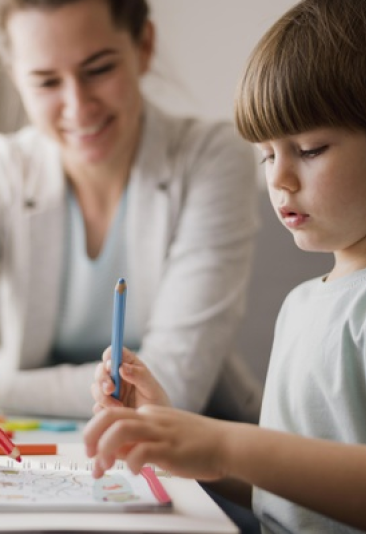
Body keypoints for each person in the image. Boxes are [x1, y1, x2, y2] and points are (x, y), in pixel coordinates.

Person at [84, 0, 366, 533]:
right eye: (266, 155)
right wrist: (178, 439)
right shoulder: (304, 303)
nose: (278, 180)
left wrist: (228, 442)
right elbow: (289, 493)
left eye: (308, 149)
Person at [0, 0, 262, 422]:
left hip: (198, 447)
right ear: (16, 78)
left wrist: (7, 386)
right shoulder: (7, 171)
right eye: (47, 82)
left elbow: (171, 386)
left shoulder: (211, 159)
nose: (78, 106)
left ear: (144, 46)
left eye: (99, 69)